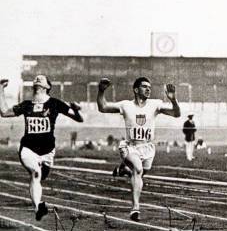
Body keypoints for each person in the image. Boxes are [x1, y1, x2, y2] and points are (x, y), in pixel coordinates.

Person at [97, 77, 180, 221]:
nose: (148, 89)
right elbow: (103, 107)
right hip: (130, 146)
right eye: (144, 87)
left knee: (139, 174)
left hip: (147, 147)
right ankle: (135, 208)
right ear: (136, 90)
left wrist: (173, 99)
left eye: (149, 87)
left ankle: (124, 169)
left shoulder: (155, 104)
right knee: (138, 169)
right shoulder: (125, 105)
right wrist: (101, 91)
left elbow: (176, 113)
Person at [0, 76, 83, 220]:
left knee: (41, 176)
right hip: (28, 149)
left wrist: (76, 110)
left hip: (47, 152)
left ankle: (38, 201)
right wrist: (0, 89)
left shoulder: (55, 104)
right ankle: (38, 207)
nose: (37, 79)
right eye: (35, 79)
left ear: (47, 87)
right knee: (36, 173)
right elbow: (4, 112)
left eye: (41, 79)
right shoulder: (27, 105)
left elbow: (79, 119)